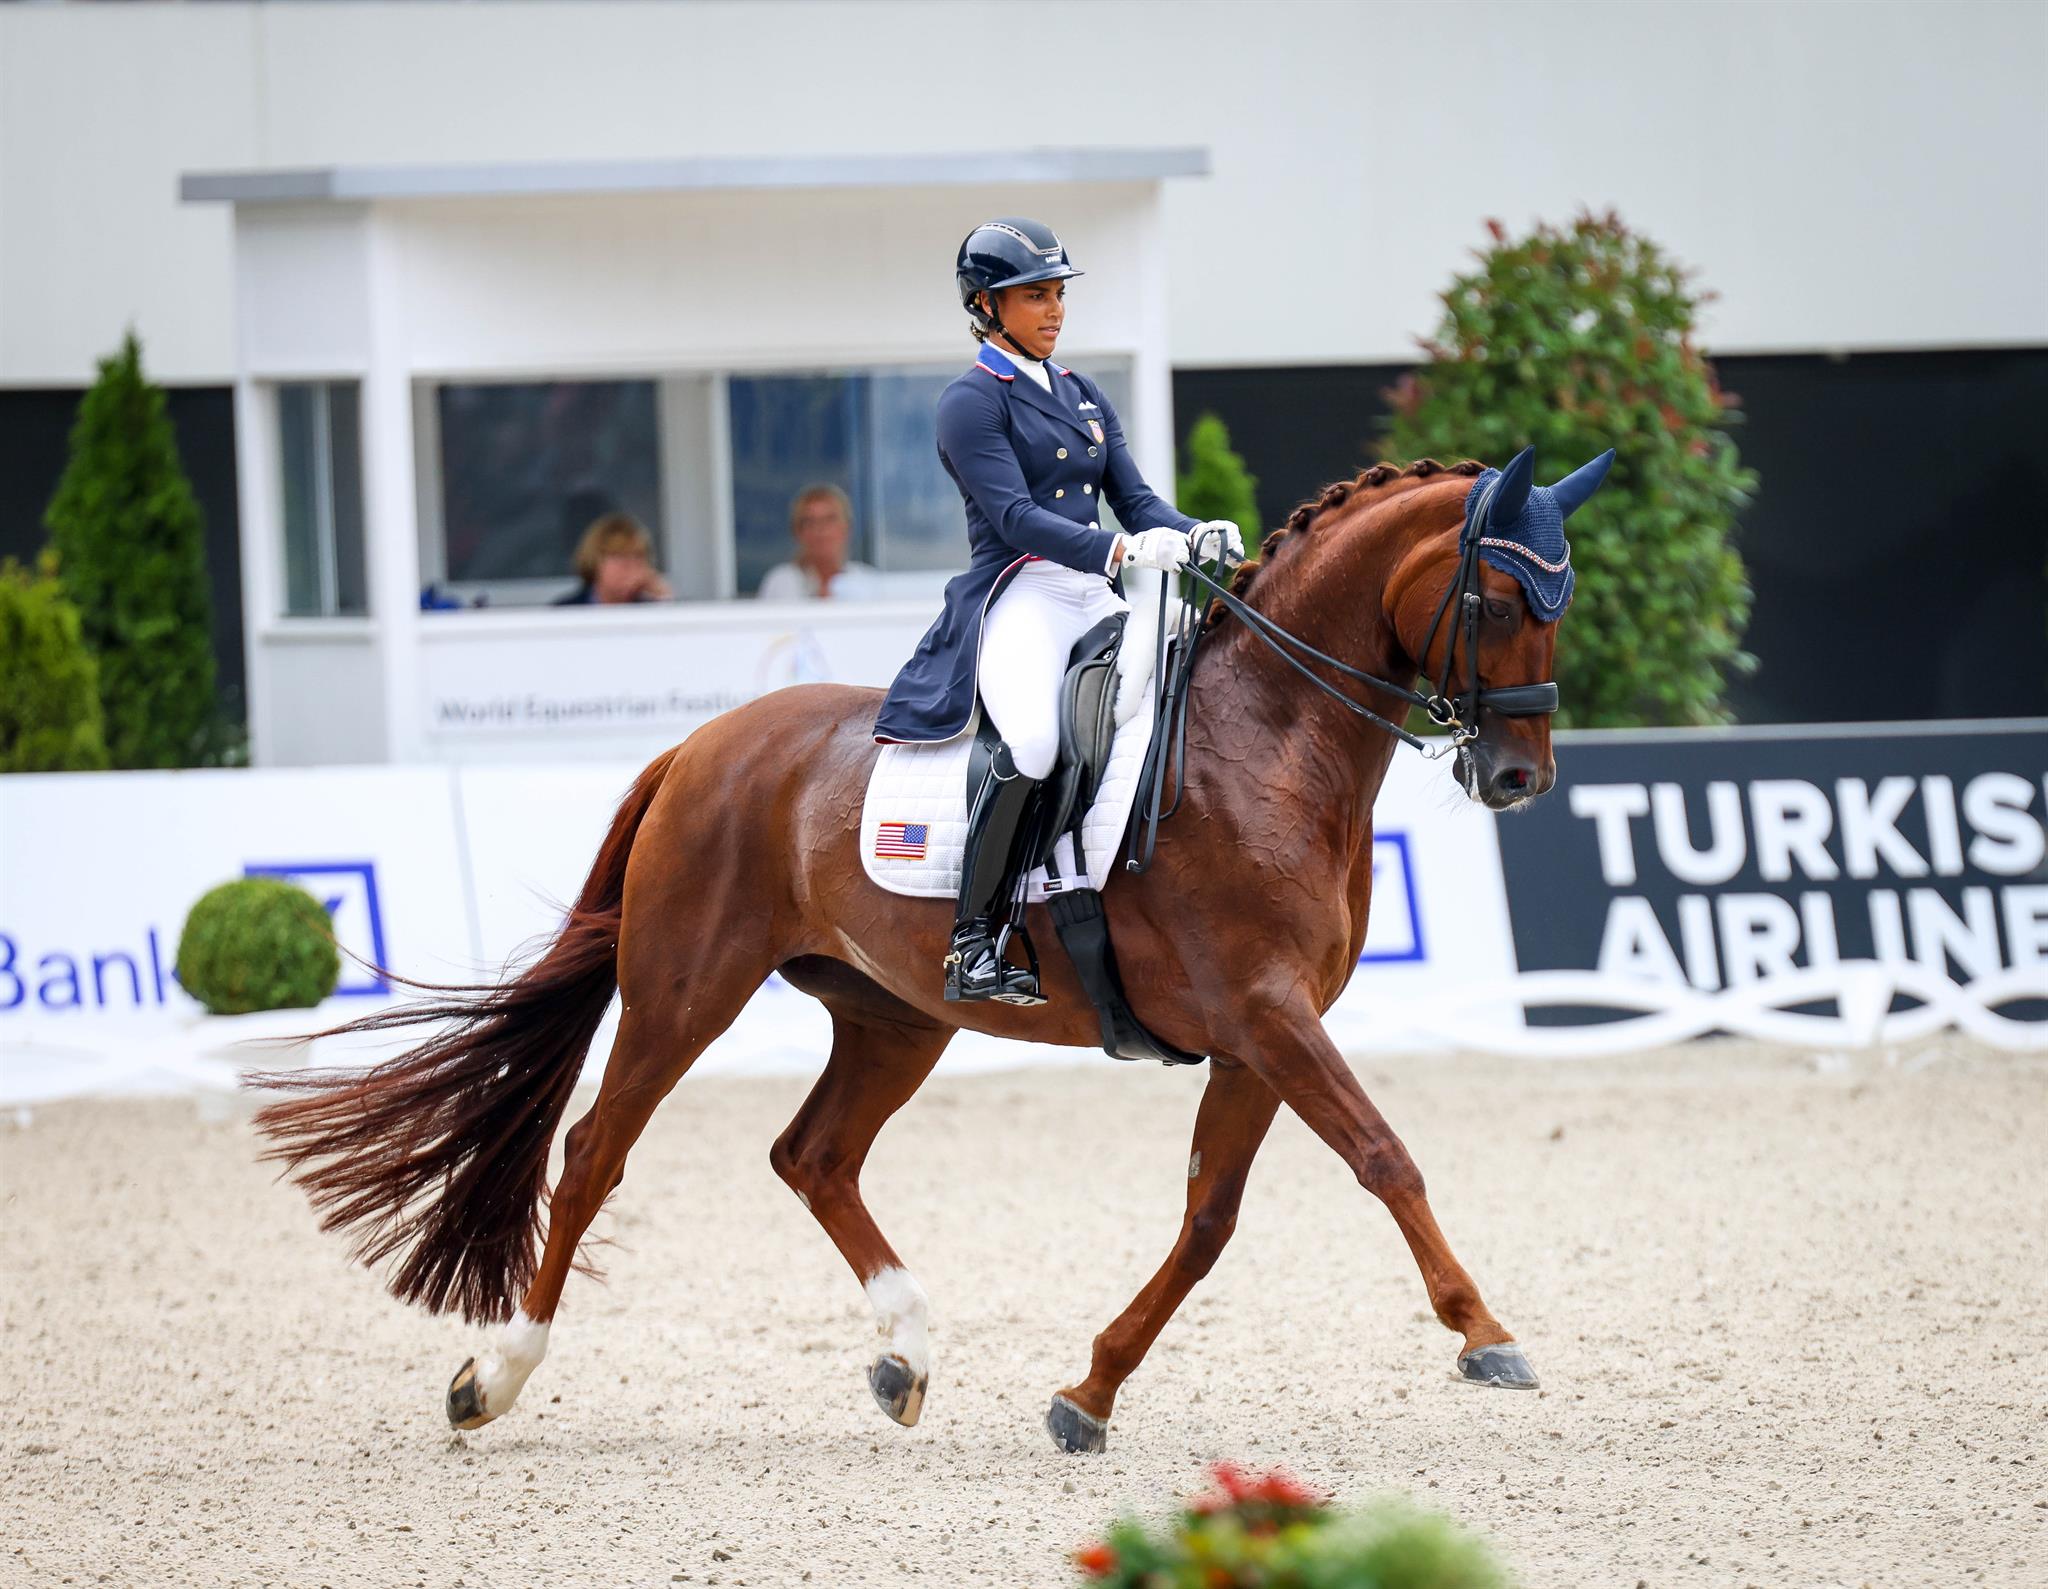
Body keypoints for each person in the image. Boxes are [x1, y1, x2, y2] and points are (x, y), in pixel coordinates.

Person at [873, 217, 1242, 1005]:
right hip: (1022, 591)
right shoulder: (970, 401)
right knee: (1037, 740)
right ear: (986, 304)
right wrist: (1115, 552)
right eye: (1034, 296)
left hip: (1092, 592)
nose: (1053, 310)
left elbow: (1135, 500)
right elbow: (1011, 516)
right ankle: (974, 939)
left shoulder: (1079, 392)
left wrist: (1193, 531)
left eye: (1056, 294)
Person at [757, 484, 880, 600]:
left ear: (847, 527)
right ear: (797, 531)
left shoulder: (867, 582)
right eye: (810, 522)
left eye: (829, 520)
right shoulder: (782, 582)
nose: (820, 529)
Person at [553, 511, 673, 605]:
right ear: (596, 560)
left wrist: (662, 601)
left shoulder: (649, 610)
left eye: (638, 557)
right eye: (621, 556)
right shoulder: (566, 611)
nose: (631, 566)